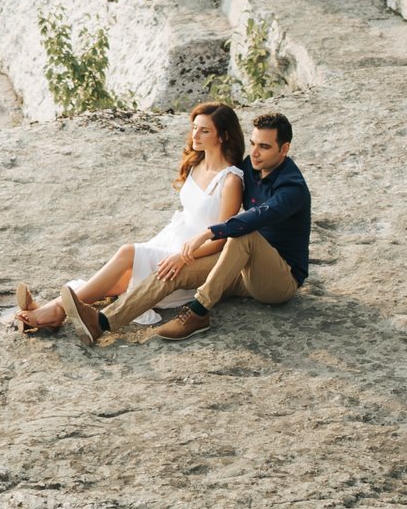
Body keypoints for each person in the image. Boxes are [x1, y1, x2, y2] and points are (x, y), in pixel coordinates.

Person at [13, 103, 246, 341]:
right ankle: (52, 310)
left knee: (128, 255)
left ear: (223, 136)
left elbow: (221, 240)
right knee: (118, 280)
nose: (195, 135)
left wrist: (182, 257)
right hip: (171, 238)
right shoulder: (197, 163)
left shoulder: (231, 180)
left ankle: (53, 311)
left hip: (192, 256)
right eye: (194, 128)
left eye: (204, 131)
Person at [100, 111, 310, 340]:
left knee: (244, 234)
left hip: (278, 281)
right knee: (177, 268)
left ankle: (198, 312)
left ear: (284, 149)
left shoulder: (292, 188)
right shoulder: (251, 166)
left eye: (264, 147)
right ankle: (103, 321)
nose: (254, 153)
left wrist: (208, 233)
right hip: (241, 267)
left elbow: (258, 216)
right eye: (253, 144)